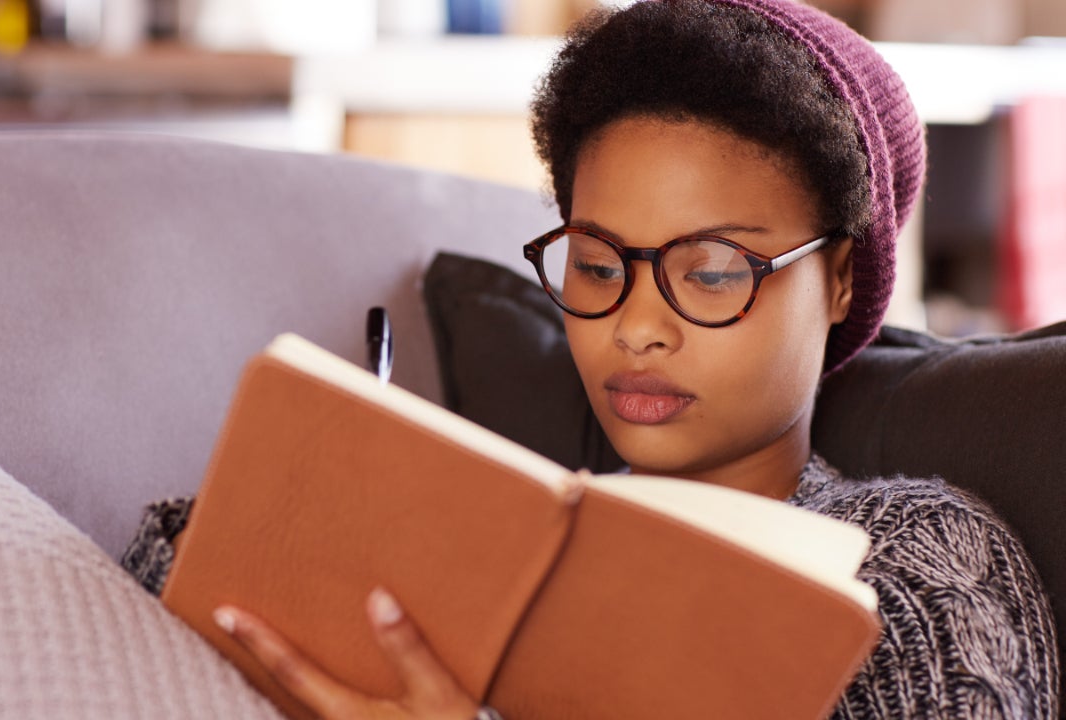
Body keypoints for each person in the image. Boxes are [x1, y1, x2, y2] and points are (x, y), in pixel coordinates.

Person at [122, 0, 1059, 718]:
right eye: (600, 265)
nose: (636, 327)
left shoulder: (915, 558)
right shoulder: (494, 539)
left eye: (710, 271)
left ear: (844, 281)